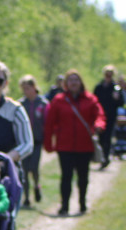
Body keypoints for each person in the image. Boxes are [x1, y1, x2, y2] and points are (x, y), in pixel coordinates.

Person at [43, 69, 106, 215]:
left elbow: (100, 115)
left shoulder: (90, 99)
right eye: (70, 80)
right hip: (64, 145)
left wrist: (99, 126)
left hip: (85, 146)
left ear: (81, 82)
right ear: (66, 83)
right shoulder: (59, 100)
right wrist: (48, 144)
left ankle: (82, 203)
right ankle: (64, 205)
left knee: (83, 176)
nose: (73, 83)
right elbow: (50, 124)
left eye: (76, 80)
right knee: (66, 176)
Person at [18, 75, 48, 208]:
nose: (26, 91)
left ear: (34, 87)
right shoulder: (20, 104)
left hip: (37, 141)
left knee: (34, 168)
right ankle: (26, 197)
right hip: (23, 142)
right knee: (24, 170)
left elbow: (48, 123)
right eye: (23, 89)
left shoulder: (43, 104)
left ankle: (36, 185)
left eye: (28, 88)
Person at [92, 65, 122, 169]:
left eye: (110, 74)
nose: (108, 76)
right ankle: (100, 157)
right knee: (100, 137)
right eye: (107, 74)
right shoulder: (99, 87)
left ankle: (105, 158)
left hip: (110, 117)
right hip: (99, 117)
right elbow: (93, 101)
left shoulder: (116, 88)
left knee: (107, 138)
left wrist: (117, 99)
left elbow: (121, 103)